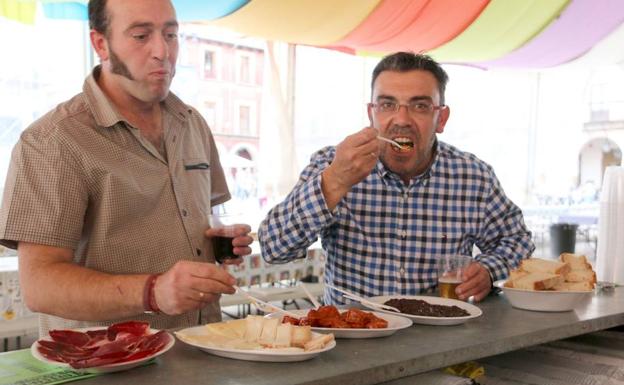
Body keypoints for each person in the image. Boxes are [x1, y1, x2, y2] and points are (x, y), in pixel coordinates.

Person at [0, 0, 253, 335]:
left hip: (202, 349)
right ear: (100, 43)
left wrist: (220, 239)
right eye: (140, 36)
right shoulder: (53, 141)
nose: (162, 51)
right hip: (107, 366)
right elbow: (40, 285)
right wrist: (153, 292)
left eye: (171, 34)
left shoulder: (192, 124)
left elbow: (205, 216)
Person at [258, 52, 534, 304]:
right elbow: (273, 250)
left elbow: (517, 241)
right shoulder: (331, 165)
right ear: (371, 114)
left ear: (441, 118)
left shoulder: (473, 177)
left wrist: (487, 269)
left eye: (420, 106)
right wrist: (333, 183)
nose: (401, 119)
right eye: (387, 104)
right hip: (352, 342)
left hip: (440, 342)